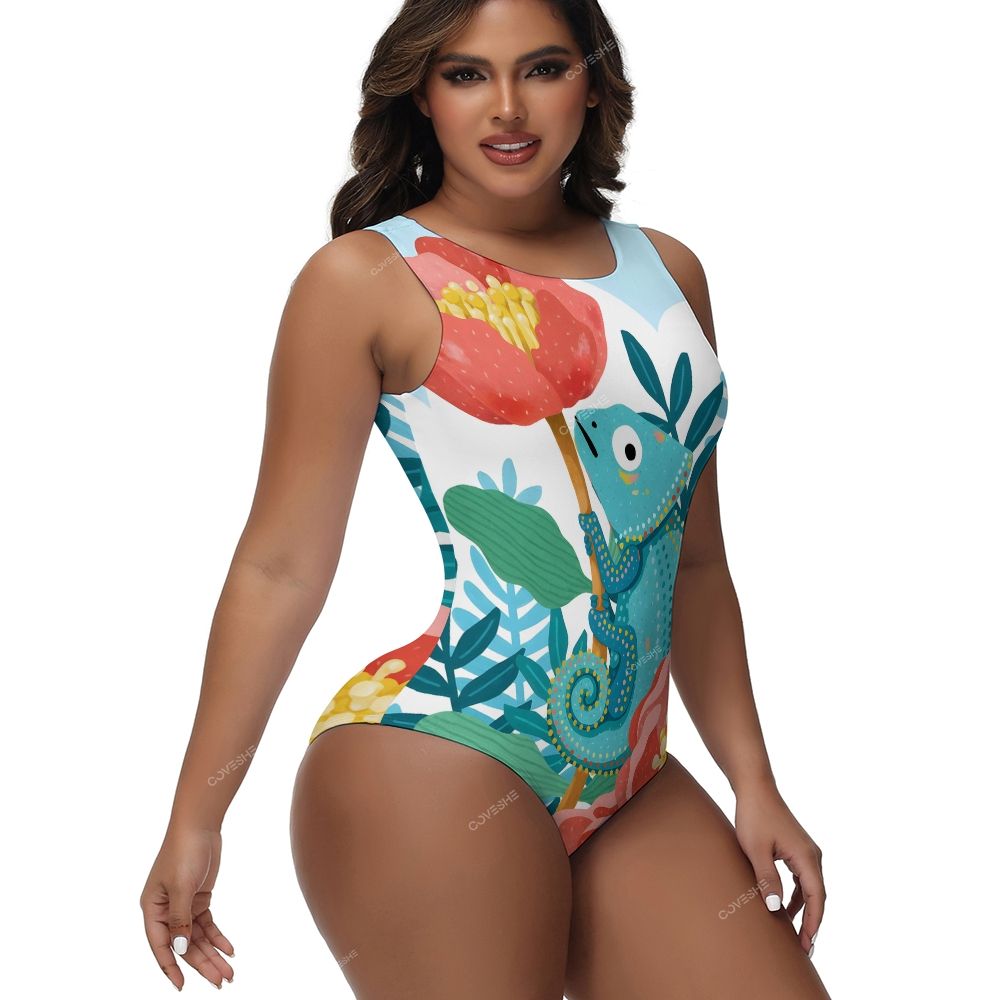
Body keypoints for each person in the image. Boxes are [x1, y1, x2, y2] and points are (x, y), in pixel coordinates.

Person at [140, 1, 832, 997]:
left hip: (632, 776)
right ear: (421, 93)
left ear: (592, 80)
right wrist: (196, 816)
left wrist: (753, 782)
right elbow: (280, 567)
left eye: (542, 68)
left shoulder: (668, 272)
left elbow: (693, 562)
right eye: (466, 74)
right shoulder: (366, 278)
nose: (507, 107)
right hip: (437, 750)